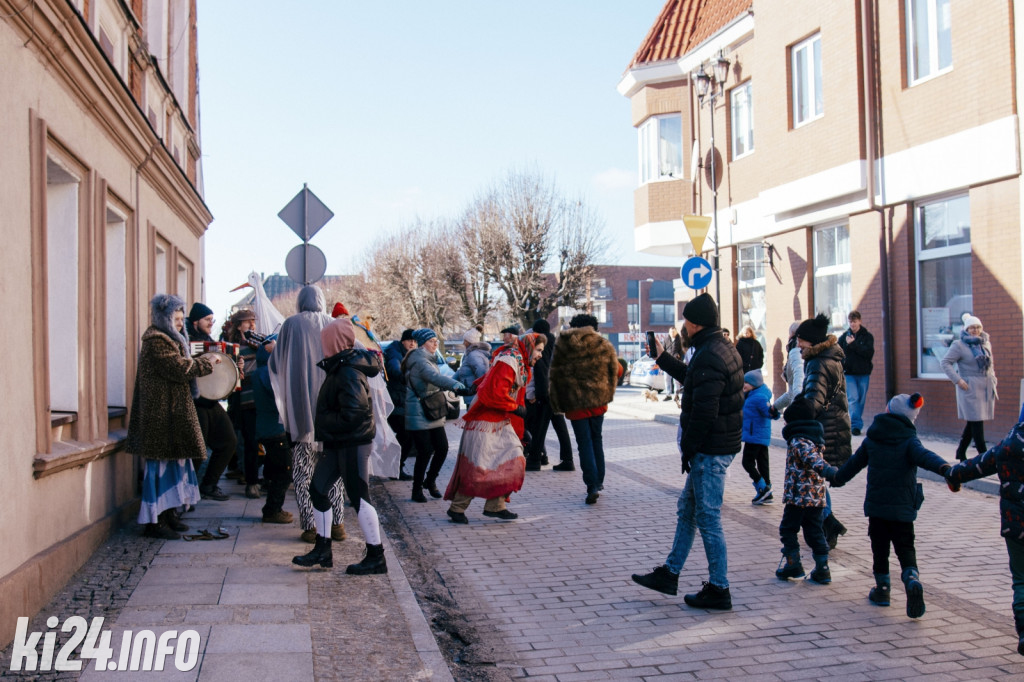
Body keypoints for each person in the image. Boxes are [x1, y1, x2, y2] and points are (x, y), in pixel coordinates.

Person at [631, 293, 744, 610]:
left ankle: (719, 588)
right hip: (714, 446)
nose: (684, 326)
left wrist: (688, 449)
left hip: (710, 450)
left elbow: (705, 411)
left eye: (686, 321)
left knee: (708, 518)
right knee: (688, 511)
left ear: (695, 324)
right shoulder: (719, 347)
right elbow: (695, 380)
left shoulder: (710, 354)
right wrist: (663, 358)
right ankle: (670, 573)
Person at [831, 393, 953, 619]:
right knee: (905, 547)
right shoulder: (909, 441)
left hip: (877, 509)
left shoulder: (873, 438)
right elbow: (926, 457)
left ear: (888, 411)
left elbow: (853, 464)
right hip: (903, 508)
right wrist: (946, 469)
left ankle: (883, 590)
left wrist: (837, 479)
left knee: (880, 549)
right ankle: (911, 578)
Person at [293, 317, 387, 574]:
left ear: (334, 343)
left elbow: (354, 413)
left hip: (352, 442)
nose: (322, 345)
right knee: (318, 489)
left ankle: (376, 556)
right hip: (339, 442)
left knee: (359, 497)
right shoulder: (341, 367)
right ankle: (322, 550)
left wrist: (323, 421)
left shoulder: (348, 371)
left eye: (325, 341)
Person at [128, 294, 218, 539]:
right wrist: (207, 363)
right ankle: (154, 522)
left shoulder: (170, 339)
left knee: (174, 467)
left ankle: (169, 514)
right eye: (176, 319)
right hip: (160, 416)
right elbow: (179, 368)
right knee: (160, 470)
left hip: (171, 414)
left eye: (181, 318)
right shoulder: (156, 340)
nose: (180, 323)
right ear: (164, 319)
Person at [270, 285, 347, 543]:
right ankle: (337, 523)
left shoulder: (290, 325)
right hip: (331, 414)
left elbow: (275, 364)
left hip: (302, 415)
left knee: (303, 473)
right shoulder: (334, 324)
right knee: (333, 470)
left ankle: (311, 526)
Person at [445, 334, 544, 523]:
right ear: (530, 348)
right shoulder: (510, 360)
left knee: (509, 459)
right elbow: (495, 391)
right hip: (486, 419)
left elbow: (491, 381)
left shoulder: (517, 360)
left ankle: (495, 505)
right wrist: (516, 408)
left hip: (499, 418)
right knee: (480, 465)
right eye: (538, 350)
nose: (540, 355)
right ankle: (458, 508)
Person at [946, 422, 1024, 655]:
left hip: (1015, 525)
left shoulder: (1009, 443)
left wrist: (953, 475)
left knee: (1021, 580)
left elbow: (979, 464)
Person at [549, 314, 620, 505]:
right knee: (597, 440)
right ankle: (599, 481)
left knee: (584, 444)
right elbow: (618, 370)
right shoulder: (603, 345)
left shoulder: (565, 347)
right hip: (598, 403)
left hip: (576, 404)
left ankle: (591, 485)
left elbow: (555, 376)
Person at [796, 313, 852, 549]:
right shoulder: (828, 357)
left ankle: (828, 524)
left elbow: (814, 401)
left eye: (801, 340)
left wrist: (796, 418)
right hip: (831, 425)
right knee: (815, 478)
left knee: (813, 478)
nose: (798, 344)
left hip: (823, 428)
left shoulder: (818, 363)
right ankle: (827, 523)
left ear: (812, 341)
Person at [774, 398, 838, 584]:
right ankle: (822, 568)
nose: (785, 424)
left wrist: (829, 471)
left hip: (799, 497)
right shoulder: (813, 438)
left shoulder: (799, 441)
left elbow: (814, 460)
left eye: (787, 421)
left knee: (788, 529)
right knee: (814, 531)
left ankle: (793, 564)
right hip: (816, 497)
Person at [403, 328, 470, 503]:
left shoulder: (428, 359)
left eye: (436, 341)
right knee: (425, 451)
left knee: (442, 448)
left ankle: (430, 480)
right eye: (431, 341)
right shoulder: (420, 361)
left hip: (431, 410)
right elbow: (435, 378)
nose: (435, 344)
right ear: (422, 343)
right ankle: (417, 489)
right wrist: (457, 386)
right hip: (419, 411)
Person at [185, 302, 238, 502]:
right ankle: (186, 493)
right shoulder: (187, 342)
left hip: (211, 402)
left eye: (212, 320)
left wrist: (236, 367)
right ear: (195, 321)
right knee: (198, 450)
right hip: (196, 402)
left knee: (229, 441)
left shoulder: (210, 342)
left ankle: (209, 484)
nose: (210, 323)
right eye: (207, 320)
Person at [940, 315, 997, 460]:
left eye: (978, 327)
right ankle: (984, 457)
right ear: (966, 329)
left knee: (973, 421)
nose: (975, 330)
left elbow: (990, 365)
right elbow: (945, 362)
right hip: (969, 387)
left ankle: (961, 452)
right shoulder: (959, 345)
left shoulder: (985, 343)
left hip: (985, 386)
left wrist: (993, 379)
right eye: (972, 327)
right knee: (977, 422)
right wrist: (958, 380)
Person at [222, 308, 262, 498]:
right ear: (239, 326)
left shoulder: (260, 342)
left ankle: (267, 479)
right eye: (248, 321)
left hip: (262, 400)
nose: (252, 324)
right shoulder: (233, 348)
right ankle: (251, 482)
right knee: (251, 443)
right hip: (246, 402)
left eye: (253, 320)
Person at [252, 340, 293, 524]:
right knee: (284, 472)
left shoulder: (258, 372)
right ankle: (272, 510)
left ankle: (273, 508)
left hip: (267, 428)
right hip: (275, 429)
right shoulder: (267, 374)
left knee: (275, 468)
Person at [384, 329, 417, 480]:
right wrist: (405, 376)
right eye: (409, 340)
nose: (412, 343)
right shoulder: (395, 352)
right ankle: (394, 467)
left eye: (415, 341)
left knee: (406, 435)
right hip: (395, 400)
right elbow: (394, 367)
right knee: (406, 434)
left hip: (402, 400)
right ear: (403, 341)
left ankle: (394, 467)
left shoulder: (409, 353)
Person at [741, 369, 776, 505]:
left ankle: (762, 488)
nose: (744, 385)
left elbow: (769, 413)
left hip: (754, 436)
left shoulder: (759, 397)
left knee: (747, 463)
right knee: (762, 464)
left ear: (755, 384)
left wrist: (774, 412)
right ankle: (767, 491)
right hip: (758, 435)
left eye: (747, 383)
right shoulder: (751, 395)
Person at [838, 310, 875, 436]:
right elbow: (838, 351)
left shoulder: (867, 337)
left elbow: (868, 353)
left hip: (863, 373)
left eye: (854, 321)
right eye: (850, 322)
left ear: (860, 321)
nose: (852, 324)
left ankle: (856, 422)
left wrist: (853, 344)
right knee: (853, 398)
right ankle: (855, 425)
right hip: (849, 373)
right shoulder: (844, 337)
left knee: (861, 400)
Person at [524, 320, 555, 471]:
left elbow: (539, 372)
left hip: (543, 394)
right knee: (539, 428)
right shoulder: (553, 344)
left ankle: (536, 458)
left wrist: (535, 394)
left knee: (537, 428)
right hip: (551, 392)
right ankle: (539, 457)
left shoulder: (541, 347)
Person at [771, 322, 804, 416]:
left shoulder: (796, 350)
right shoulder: (796, 350)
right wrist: (775, 406)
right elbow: (791, 392)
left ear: (792, 334)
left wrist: (797, 406)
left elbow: (798, 381)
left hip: (800, 408)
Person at [454, 327, 491, 408]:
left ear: (470, 342)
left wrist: (473, 389)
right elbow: (462, 370)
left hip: (474, 396)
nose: (463, 343)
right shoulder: (470, 354)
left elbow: (482, 372)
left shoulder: (473, 355)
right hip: (472, 395)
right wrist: (451, 381)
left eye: (465, 341)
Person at [663, 326, 681, 400]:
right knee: (667, 379)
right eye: (671, 332)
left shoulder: (680, 340)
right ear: (669, 332)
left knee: (676, 380)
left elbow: (682, 350)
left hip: (676, 361)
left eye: (673, 332)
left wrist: (679, 356)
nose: (672, 333)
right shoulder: (666, 339)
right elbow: (663, 349)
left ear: (676, 332)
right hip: (667, 361)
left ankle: (677, 395)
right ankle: (668, 394)